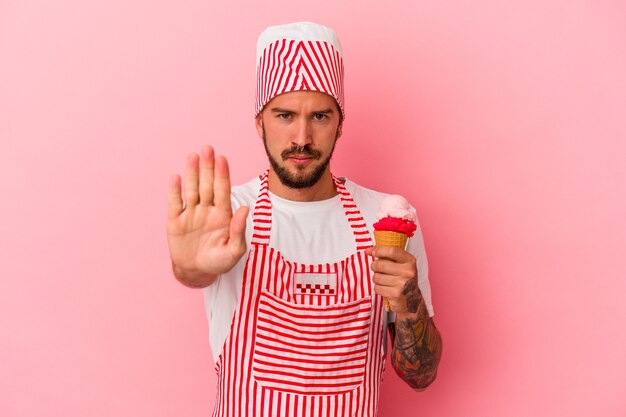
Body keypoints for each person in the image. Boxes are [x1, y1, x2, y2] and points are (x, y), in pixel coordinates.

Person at [167, 21, 442, 416]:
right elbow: (194, 271)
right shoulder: (227, 216)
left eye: (319, 117)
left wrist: (409, 300)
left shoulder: (384, 220)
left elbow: (421, 377)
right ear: (259, 122)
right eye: (283, 115)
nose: (301, 138)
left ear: (340, 123)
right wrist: (189, 267)